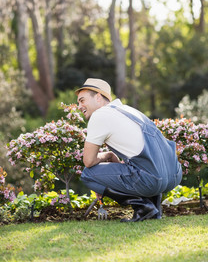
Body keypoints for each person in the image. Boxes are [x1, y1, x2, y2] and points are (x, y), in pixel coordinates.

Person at [76, 78, 182, 222]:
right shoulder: (128, 110)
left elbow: (88, 161)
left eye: (82, 100)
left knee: (88, 175)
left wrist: (107, 154)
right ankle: (154, 208)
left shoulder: (99, 115)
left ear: (99, 97)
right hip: (174, 174)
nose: (79, 106)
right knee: (138, 167)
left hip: (153, 179)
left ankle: (144, 208)